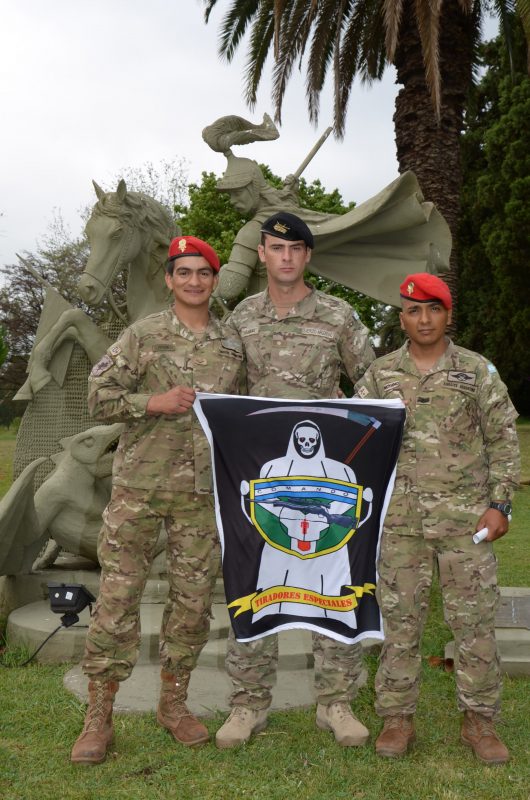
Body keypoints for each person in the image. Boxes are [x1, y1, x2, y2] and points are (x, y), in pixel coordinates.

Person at [70, 236, 244, 765]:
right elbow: (97, 396)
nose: (194, 281)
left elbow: (248, 412)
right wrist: (153, 401)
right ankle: (98, 716)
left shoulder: (232, 344)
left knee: (192, 604)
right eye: (183, 272)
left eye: (203, 273)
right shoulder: (142, 335)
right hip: (139, 491)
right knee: (118, 599)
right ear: (169, 280)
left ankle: (174, 704)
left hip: (201, 495)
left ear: (214, 281)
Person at [215, 211, 375, 749]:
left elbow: (373, 384)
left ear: (307, 255)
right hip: (267, 478)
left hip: (325, 477)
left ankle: (335, 703)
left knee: (331, 583)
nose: (286, 257)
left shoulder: (338, 315)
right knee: (256, 583)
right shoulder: (242, 318)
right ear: (262, 254)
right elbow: (225, 391)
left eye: (296, 249)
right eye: (276, 249)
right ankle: (248, 705)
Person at [354, 273, 520, 765]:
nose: (424, 319)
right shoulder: (380, 375)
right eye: (413, 310)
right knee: (400, 623)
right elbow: (356, 439)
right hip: (399, 524)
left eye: (434, 309)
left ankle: (480, 721)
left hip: (465, 524)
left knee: (474, 623)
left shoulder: (476, 371)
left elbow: (503, 440)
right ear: (402, 318)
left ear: (448, 315)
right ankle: (397, 718)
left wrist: (501, 504)